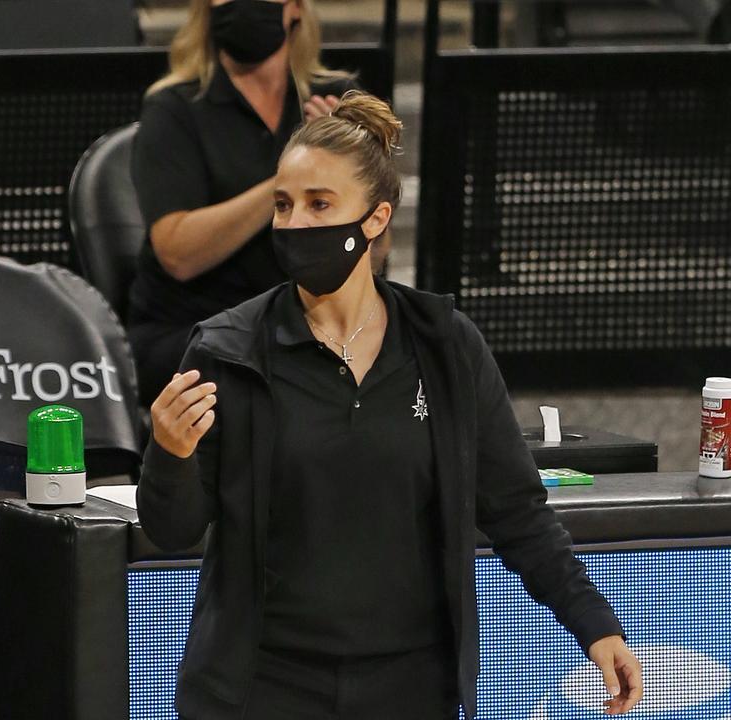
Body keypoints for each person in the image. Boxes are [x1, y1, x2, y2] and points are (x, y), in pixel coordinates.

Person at [137, 92, 644, 720]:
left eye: (320, 204)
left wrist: (596, 625)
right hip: (263, 688)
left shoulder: (445, 345)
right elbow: (174, 529)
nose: (296, 224)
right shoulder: (228, 351)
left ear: (375, 220)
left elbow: (515, 510)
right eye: (284, 205)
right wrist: (170, 456)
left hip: (411, 687)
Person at [128, 0, 364, 402]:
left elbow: (374, 252)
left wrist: (346, 174)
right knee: (295, 371)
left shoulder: (336, 102)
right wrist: (292, 178)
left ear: (293, 9)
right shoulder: (173, 110)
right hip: (193, 330)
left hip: (305, 322)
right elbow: (178, 254)